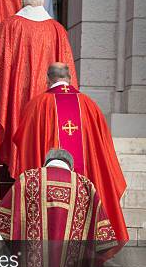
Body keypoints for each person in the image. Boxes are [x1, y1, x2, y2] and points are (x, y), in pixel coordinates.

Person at [13, 63, 129, 243]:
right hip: (85, 185)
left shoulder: (37, 105)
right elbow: (104, 149)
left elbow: (24, 142)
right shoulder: (90, 106)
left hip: (48, 195)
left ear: (47, 79)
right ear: (70, 78)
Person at [0, 0, 77, 176]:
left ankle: (18, 166)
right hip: (49, 101)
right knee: (47, 134)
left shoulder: (11, 25)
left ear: (22, 2)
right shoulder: (57, 29)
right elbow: (67, 66)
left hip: (17, 96)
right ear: (43, 3)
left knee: (18, 126)